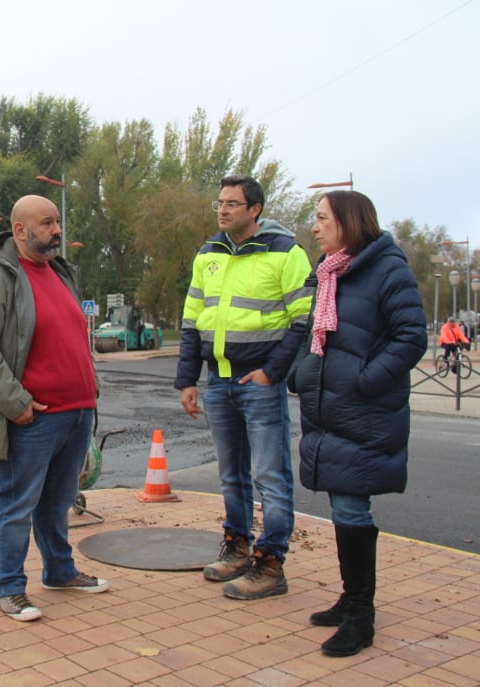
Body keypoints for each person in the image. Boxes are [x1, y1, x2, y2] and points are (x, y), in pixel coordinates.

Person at [0, 194, 107, 622]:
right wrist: (15, 404)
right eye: (48, 223)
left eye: (57, 222)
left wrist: (90, 389)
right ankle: (10, 587)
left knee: (58, 501)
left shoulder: (60, 271)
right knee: (16, 503)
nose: (57, 230)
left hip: (76, 411)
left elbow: (70, 337)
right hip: (33, 416)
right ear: (20, 230)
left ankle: (60, 571)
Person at [289, 190, 427, 657]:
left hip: (364, 410)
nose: (314, 226)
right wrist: (301, 374)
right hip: (331, 410)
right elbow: (314, 334)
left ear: (348, 222)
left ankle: (361, 617)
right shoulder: (330, 273)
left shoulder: (388, 269)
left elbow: (411, 337)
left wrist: (367, 379)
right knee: (342, 505)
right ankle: (350, 600)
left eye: (322, 218)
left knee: (351, 508)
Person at [175, 174, 313, 600]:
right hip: (218, 380)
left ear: (255, 209)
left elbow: (301, 321)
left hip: (259, 382)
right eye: (220, 202)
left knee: (270, 474)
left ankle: (271, 564)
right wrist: (187, 379)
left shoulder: (286, 252)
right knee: (231, 475)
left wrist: (272, 372)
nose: (223, 209)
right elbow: (192, 319)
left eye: (233, 203)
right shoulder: (208, 253)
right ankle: (237, 546)